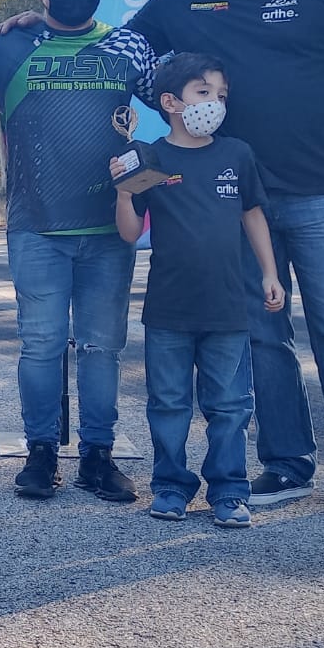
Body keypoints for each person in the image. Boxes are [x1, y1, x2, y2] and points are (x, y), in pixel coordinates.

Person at [0, 0, 324, 527]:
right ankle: (284, 465)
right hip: (231, 200)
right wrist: (33, 28)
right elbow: (113, 49)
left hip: (320, 191)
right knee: (262, 340)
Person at [0, 0, 143, 504]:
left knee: (102, 348)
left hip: (111, 228)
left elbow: (184, 98)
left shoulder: (129, 46)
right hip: (37, 226)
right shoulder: (6, 48)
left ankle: (98, 456)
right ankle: (41, 454)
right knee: (41, 346)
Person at [110, 54, 285, 527]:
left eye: (221, 95)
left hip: (228, 308)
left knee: (229, 406)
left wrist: (270, 272)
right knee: (168, 404)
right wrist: (125, 192)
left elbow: (253, 214)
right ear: (170, 102)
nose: (215, 103)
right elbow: (129, 233)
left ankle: (229, 490)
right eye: (203, 93)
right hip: (168, 309)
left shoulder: (236, 155)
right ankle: (169, 487)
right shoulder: (150, 156)